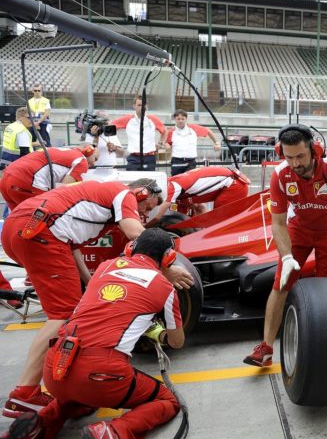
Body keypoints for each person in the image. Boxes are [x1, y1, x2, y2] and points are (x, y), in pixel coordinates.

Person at [1, 179, 193, 420]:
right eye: (148, 206)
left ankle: (49, 380)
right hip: (41, 231)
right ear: (143, 193)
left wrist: (90, 282)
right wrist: (167, 263)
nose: (146, 213)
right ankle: (24, 394)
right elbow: (136, 235)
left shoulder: (97, 199)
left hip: (22, 227)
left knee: (66, 311)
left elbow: (71, 247)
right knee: (61, 315)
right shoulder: (123, 194)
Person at [0, 228, 186, 439]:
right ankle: (115, 434)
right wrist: (156, 332)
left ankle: (40, 424)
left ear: (131, 248)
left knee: (81, 398)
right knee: (166, 400)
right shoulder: (165, 287)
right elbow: (177, 342)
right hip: (102, 372)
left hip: (57, 366)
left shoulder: (105, 267)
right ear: (168, 258)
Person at [243, 124, 327, 367]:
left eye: (300, 156)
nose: (294, 163)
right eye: (288, 156)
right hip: (299, 230)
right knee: (280, 283)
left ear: (315, 150)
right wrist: (285, 258)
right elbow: (278, 223)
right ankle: (266, 348)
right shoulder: (280, 174)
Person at [0, 145, 96, 210]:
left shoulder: (62, 150)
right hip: (25, 181)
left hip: (6, 177)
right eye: (95, 158)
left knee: (16, 221)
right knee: (46, 216)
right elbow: (63, 191)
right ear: (90, 151)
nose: (94, 163)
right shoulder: (81, 161)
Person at [152, 166, 251, 221]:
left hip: (235, 185)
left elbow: (160, 211)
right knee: (198, 210)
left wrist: (149, 225)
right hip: (230, 181)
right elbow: (198, 206)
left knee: (219, 221)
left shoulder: (173, 186)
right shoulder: (174, 182)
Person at [111, 96, 167, 171]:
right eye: (139, 105)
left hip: (149, 158)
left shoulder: (153, 119)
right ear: (134, 106)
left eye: (144, 105)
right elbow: (110, 126)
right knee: (132, 182)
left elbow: (165, 131)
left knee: (148, 182)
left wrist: (161, 143)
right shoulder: (127, 119)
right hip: (134, 158)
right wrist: (114, 143)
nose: (142, 107)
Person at [165, 109, 221, 175]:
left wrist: (217, 143)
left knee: (190, 182)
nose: (180, 121)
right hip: (177, 161)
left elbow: (208, 131)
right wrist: (165, 145)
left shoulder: (193, 128)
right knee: (176, 182)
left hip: (191, 161)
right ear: (175, 119)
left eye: (183, 119)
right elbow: (166, 143)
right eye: (178, 119)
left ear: (186, 119)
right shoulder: (171, 132)